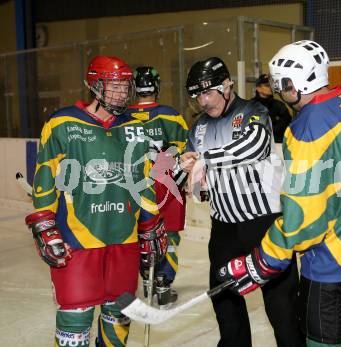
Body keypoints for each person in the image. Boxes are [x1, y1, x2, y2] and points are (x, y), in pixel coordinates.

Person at [217, 41, 341, 347]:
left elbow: (303, 223)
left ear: (291, 85)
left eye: (281, 85)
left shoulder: (306, 129)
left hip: (334, 266)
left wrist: (263, 258)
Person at [25, 56, 165, 347]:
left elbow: (144, 181)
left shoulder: (135, 128)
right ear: (95, 86)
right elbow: (45, 179)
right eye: (113, 86)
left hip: (123, 240)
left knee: (118, 315)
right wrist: (44, 225)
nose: (120, 93)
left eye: (125, 87)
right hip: (77, 242)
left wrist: (150, 224)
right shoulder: (63, 123)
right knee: (76, 317)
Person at [182, 57, 304, 347]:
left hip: (263, 224)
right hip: (224, 228)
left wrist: (205, 159)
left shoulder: (253, 110)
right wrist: (176, 166)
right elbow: (187, 165)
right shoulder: (198, 127)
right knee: (226, 307)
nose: (203, 101)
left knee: (283, 310)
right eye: (197, 95)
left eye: (208, 92)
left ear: (227, 86)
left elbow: (257, 146)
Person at [126, 65, 188, 307]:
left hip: (135, 187)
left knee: (139, 233)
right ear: (156, 86)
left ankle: (147, 280)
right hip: (166, 185)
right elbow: (186, 154)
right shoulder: (171, 115)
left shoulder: (123, 116)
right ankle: (163, 283)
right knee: (168, 235)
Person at [253, 73, 292, 143]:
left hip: (278, 144)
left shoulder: (279, 105)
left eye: (271, 85)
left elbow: (287, 122)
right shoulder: (251, 106)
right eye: (267, 85)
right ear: (258, 88)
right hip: (256, 144)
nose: (270, 87)